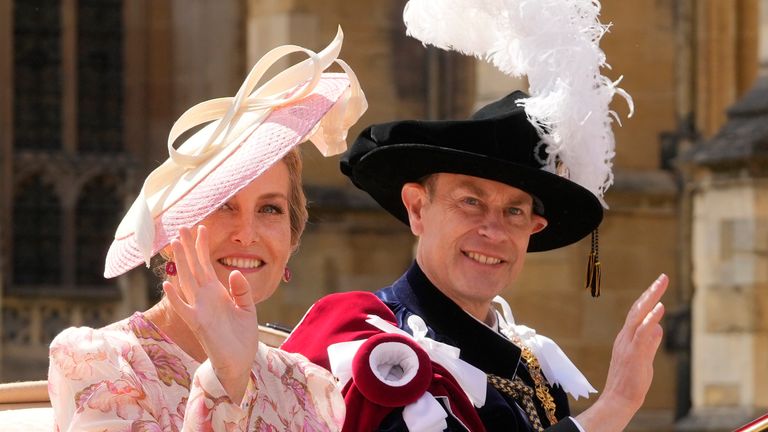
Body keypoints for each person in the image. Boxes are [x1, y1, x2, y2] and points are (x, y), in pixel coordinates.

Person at [282, 91, 667, 432]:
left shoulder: (535, 368)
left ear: (533, 228)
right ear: (418, 208)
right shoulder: (368, 346)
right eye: (471, 202)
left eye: (514, 212)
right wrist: (614, 406)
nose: (494, 231)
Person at [47, 28, 367, 431]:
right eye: (221, 206)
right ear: (167, 238)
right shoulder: (99, 362)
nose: (247, 233)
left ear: (292, 238)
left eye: (270, 209)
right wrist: (226, 378)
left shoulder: (308, 385)